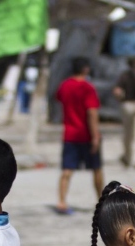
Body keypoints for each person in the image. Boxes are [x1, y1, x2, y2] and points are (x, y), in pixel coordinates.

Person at [56, 56, 104, 214]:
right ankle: (101, 202)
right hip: (86, 135)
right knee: (96, 169)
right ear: (86, 69)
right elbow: (92, 113)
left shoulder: (64, 86)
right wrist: (95, 135)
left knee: (67, 170)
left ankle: (62, 201)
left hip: (70, 134)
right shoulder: (87, 88)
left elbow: (59, 99)